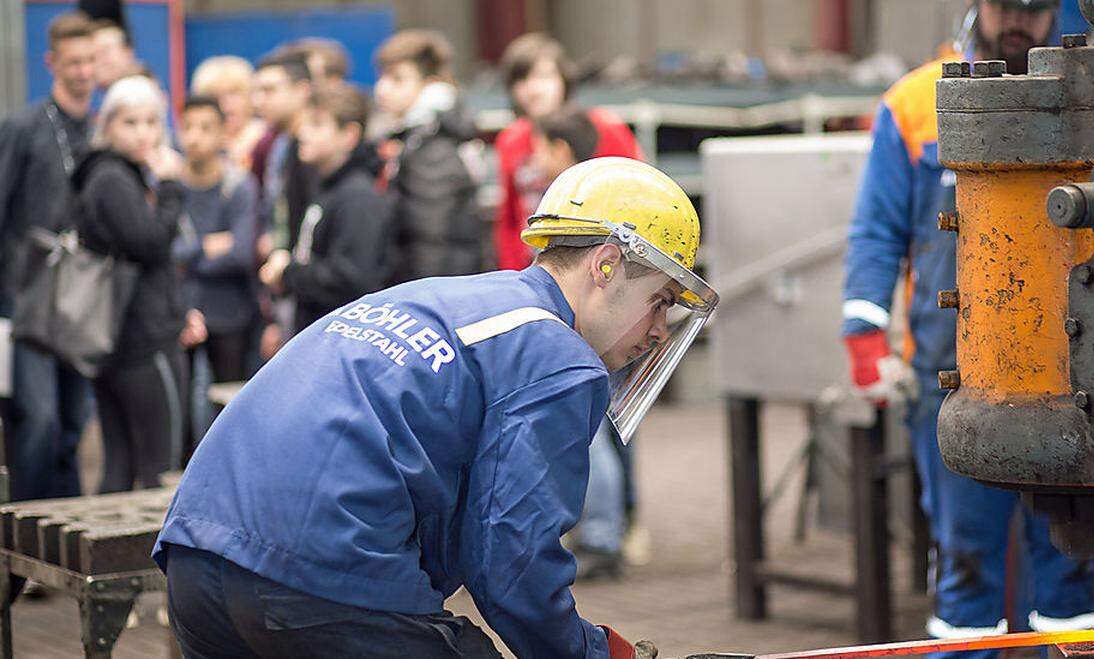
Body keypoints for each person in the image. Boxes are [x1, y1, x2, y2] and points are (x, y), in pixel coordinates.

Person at [154, 156, 715, 659]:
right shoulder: (557, 356)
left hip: (195, 561)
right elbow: (512, 559)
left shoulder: (444, 297)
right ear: (607, 265)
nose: (658, 332)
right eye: (660, 301)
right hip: (320, 585)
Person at [842, 0, 1094, 655]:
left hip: (1075, 376)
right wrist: (865, 333)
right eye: (1004, 4)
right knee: (965, 560)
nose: (1017, 21)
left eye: (1033, 6)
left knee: (1073, 562)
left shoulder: (1087, 98)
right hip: (951, 375)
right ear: (976, 1)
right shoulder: (913, 104)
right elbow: (877, 229)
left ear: (1056, 8)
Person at [0, 11, 97, 503]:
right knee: (38, 418)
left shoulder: (98, 133)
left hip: (82, 298)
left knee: (75, 422)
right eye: (73, 62)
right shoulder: (24, 128)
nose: (83, 71)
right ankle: (24, 540)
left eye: (90, 61)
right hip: (26, 294)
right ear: (52, 62)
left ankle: (62, 551)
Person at [75, 75, 187, 492]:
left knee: (121, 463)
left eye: (152, 122)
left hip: (124, 334)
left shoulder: (117, 173)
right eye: (130, 123)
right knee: (159, 463)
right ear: (107, 125)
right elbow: (151, 244)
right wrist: (174, 186)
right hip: (141, 340)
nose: (144, 134)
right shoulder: (112, 178)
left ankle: (114, 554)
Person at [530, 107, 625, 578]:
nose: (533, 158)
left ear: (561, 150)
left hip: (583, 332)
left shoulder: (578, 206)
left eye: (540, 147)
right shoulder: (604, 195)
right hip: (585, 330)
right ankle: (598, 533)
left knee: (592, 435)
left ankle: (604, 537)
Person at [493, 33, 643, 271]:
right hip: (534, 267)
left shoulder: (605, 128)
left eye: (543, 76)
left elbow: (639, 199)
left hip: (601, 265)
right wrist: (512, 273)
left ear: (563, 79)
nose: (533, 89)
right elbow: (509, 217)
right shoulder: (511, 139)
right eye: (522, 79)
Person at [258, 84, 391, 334]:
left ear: (349, 135)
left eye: (317, 125)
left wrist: (287, 273)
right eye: (305, 124)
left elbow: (350, 279)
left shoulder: (357, 198)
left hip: (342, 338)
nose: (303, 133)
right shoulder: (327, 187)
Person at [374, 29, 483, 282]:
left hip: (434, 287)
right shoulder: (417, 136)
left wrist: (418, 298)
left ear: (430, 85)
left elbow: (431, 237)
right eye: (383, 77)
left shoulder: (433, 146)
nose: (382, 89)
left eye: (397, 79)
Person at [175, 95, 260, 385]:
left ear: (223, 133)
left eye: (205, 128)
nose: (194, 137)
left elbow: (241, 255)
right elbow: (161, 252)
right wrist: (203, 247)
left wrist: (186, 261)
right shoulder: (168, 185)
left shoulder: (239, 186)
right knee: (179, 415)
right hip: (178, 310)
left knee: (228, 402)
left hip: (230, 312)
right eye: (187, 127)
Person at [249, 49, 316, 357]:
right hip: (285, 289)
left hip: (309, 293)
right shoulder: (278, 147)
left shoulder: (314, 153)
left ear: (303, 90)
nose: (259, 101)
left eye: (270, 90)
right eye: (256, 91)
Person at [190, 55, 268, 170]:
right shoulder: (192, 142)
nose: (224, 103)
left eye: (233, 93)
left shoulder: (266, 139)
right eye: (214, 95)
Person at [90, 19, 141, 91]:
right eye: (94, 54)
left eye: (105, 50)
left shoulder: (136, 91)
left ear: (128, 52)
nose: (100, 59)